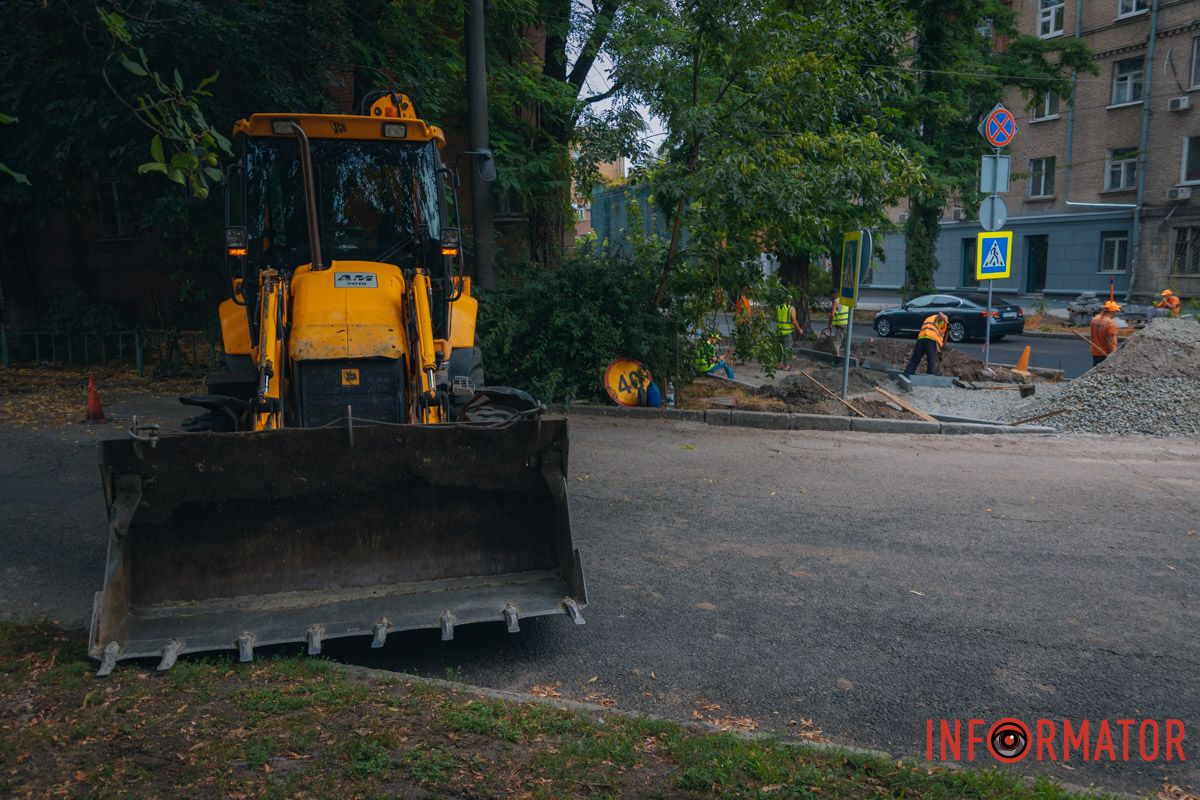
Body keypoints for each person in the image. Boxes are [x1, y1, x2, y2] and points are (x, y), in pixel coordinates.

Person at [902, 311, 948, 377]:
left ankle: (907, 374)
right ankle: (931, 376)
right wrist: (946, 320)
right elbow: (940, 314)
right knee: (931, 360)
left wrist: (939, 351)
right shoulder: (941, 320)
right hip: (930, 341)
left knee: (915, 358)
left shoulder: (929, 318)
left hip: (921, 339)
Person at [1089, 300, 1120, 366]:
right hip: (1105, 353)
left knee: (1095, 371)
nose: (1116, 313)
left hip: (1095, 351)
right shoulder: (1111, 324)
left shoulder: (1094, 320)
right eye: (1116, 311)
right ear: (1113, 311)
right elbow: (1110, 341)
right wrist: (1112, 354)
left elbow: (1092, 336)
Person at [775, 297, 801, 367]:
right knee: (787, 350)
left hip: (779, 332)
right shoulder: (791, 308)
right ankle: (786, 366)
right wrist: (799, 329)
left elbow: (776, 318)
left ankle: (778, 365)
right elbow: (794, 320)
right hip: (787, 333)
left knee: (779, 349)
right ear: (789, 300)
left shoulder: (778, 307)